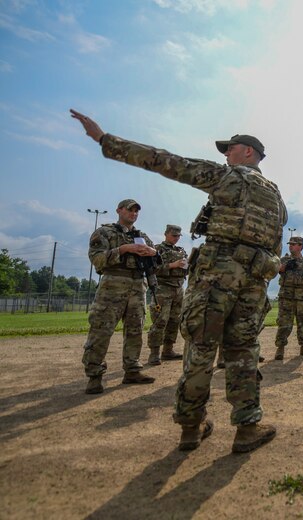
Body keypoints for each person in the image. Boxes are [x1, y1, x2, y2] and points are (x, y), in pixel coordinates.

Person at [72, 110, 285, 454]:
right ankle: (247, 427)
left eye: (230, 149)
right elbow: (274, 246)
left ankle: (191, 426)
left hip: (216, 276)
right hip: (254, 280)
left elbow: (166, 162)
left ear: (248, 152)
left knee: (200, 348)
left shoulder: (228, 178)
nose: (225, 155)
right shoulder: (276, 197)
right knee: (243, 351)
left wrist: (105, 140)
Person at [80, 198, 158, 394]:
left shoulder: (142, 236)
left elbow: (157, 260)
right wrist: (123, 249)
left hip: (137, 286)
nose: (133, 214)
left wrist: (152, 251)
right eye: (130, 210)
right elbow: (97, 259)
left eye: (136, 211)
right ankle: (95, 376)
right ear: (119, 210)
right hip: (112, 285)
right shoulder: (104, 232)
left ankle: (132, 370)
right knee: (101, 330)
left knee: (135, 330)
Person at [146, 224, 187, 365]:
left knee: (174, 321)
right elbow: (152, 269)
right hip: (163, 289)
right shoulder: (158, 249)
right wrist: (172, 265)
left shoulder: (181, 251)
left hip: (178, 289)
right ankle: (154, 353)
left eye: (178, 236)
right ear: (166, 234)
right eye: (174, 235)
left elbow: (186, 269)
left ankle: (168, 350)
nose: (176, 238)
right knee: (160, 321)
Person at [274, 236, 303, 360]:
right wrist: (283, 267)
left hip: (302, 297)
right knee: (284, 323)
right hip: (286, 297)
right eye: (290, 244)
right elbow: (274, 270)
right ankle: (280, 348)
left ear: (300, 246)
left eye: (294, 244)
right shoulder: (283, 259)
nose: (291, 246)